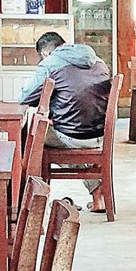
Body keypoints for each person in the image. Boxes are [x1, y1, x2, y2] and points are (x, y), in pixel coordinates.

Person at [18, 30, 113, 211]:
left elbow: (25, 97)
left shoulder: (50, 63)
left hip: (70, 136)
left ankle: (31, 203)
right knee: (49, 134)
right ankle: (98, 195)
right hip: (99, 136)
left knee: (31, 137)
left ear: (45, 53)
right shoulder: (99, 62)